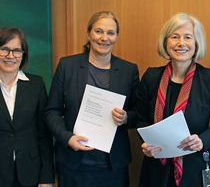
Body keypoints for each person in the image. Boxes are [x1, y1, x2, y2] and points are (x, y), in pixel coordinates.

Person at [136, 13, 210, 187]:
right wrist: (145, 142)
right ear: (166, 42)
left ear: (196, 43)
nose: (181, 43)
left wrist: (203, 140)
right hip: (156, 168)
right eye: (175, 37)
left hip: (194, 167)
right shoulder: (151, 76)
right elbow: (140, 117)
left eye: (188, 37)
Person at [45, 11, 139, 187]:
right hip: (74, 164)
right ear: (88, 34)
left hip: (113, 166)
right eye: (98, 31)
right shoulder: (67, 66)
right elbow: (52, 112)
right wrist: (67, 138)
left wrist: (126, 118)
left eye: (110, 33)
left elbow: (138, 113)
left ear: (117, 36)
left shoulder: (129, 71)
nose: (104, 38)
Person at [0, 27, 54, 187]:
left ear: (23, 54)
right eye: (4, 49)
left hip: (30, 173)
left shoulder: (36, 85)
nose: (11, 56)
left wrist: (47, 178)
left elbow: (44, 135)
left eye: (17, 50)